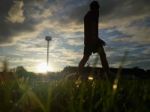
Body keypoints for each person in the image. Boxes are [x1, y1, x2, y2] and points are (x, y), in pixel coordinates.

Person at [78, 1, 109, 76]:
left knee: (102, 55)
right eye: (97, 8)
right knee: (86, 57)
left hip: (94, 40)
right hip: (90, 41)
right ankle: (79, 73)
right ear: (94, 8)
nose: (98, 10)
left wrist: (97, 39)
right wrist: (97, 40)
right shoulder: (91, 15)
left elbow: (93, 29)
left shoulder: (93, 14)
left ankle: (107, 72)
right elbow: (92, 29)